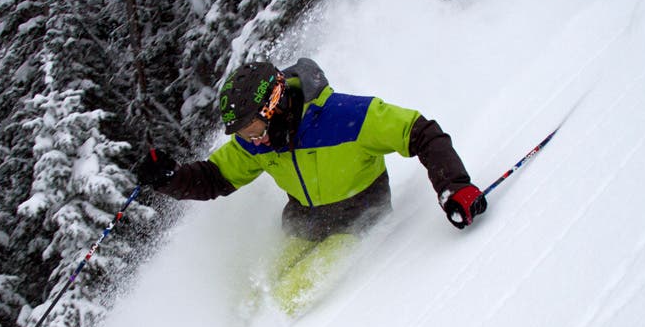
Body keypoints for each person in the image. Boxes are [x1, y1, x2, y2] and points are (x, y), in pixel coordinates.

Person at [136, 58, 487, 239]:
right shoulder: (254, 143)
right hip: (303, 225)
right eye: (242, 132)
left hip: (359, 221)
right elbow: (214, 178)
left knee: (289, 299)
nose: (252, 139)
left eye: (254, 127)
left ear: (273, 105)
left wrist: (454, 187)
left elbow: (421, 132)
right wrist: (170, 178)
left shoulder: (345, 116)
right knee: (254, 296)